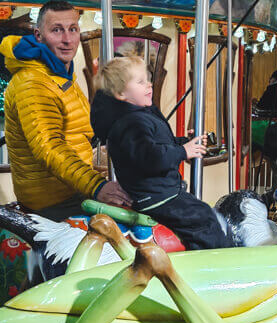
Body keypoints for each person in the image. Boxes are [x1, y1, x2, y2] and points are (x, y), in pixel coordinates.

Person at [0, 1, 131, 219]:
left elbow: (80, 131)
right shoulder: (33, 82)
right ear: (39, 35)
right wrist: (96, 185)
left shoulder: (59, 74)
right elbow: (50, 148)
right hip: (52, 199)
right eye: (57, 30)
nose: (67, 40)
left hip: (71, 187)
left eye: (73, 29)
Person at [90, 55, 233, 250]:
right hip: (156, 196)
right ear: (120, 93)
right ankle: (213, 258)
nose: (149, 84)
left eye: (147, 79)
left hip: (159, 191)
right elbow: (151, 157)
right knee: (203, 219)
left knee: (201, 210)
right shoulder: (131, 123)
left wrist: (186, 143)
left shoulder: (138, 117)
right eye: (140, 82)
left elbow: (161, 144)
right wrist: (183, 151)